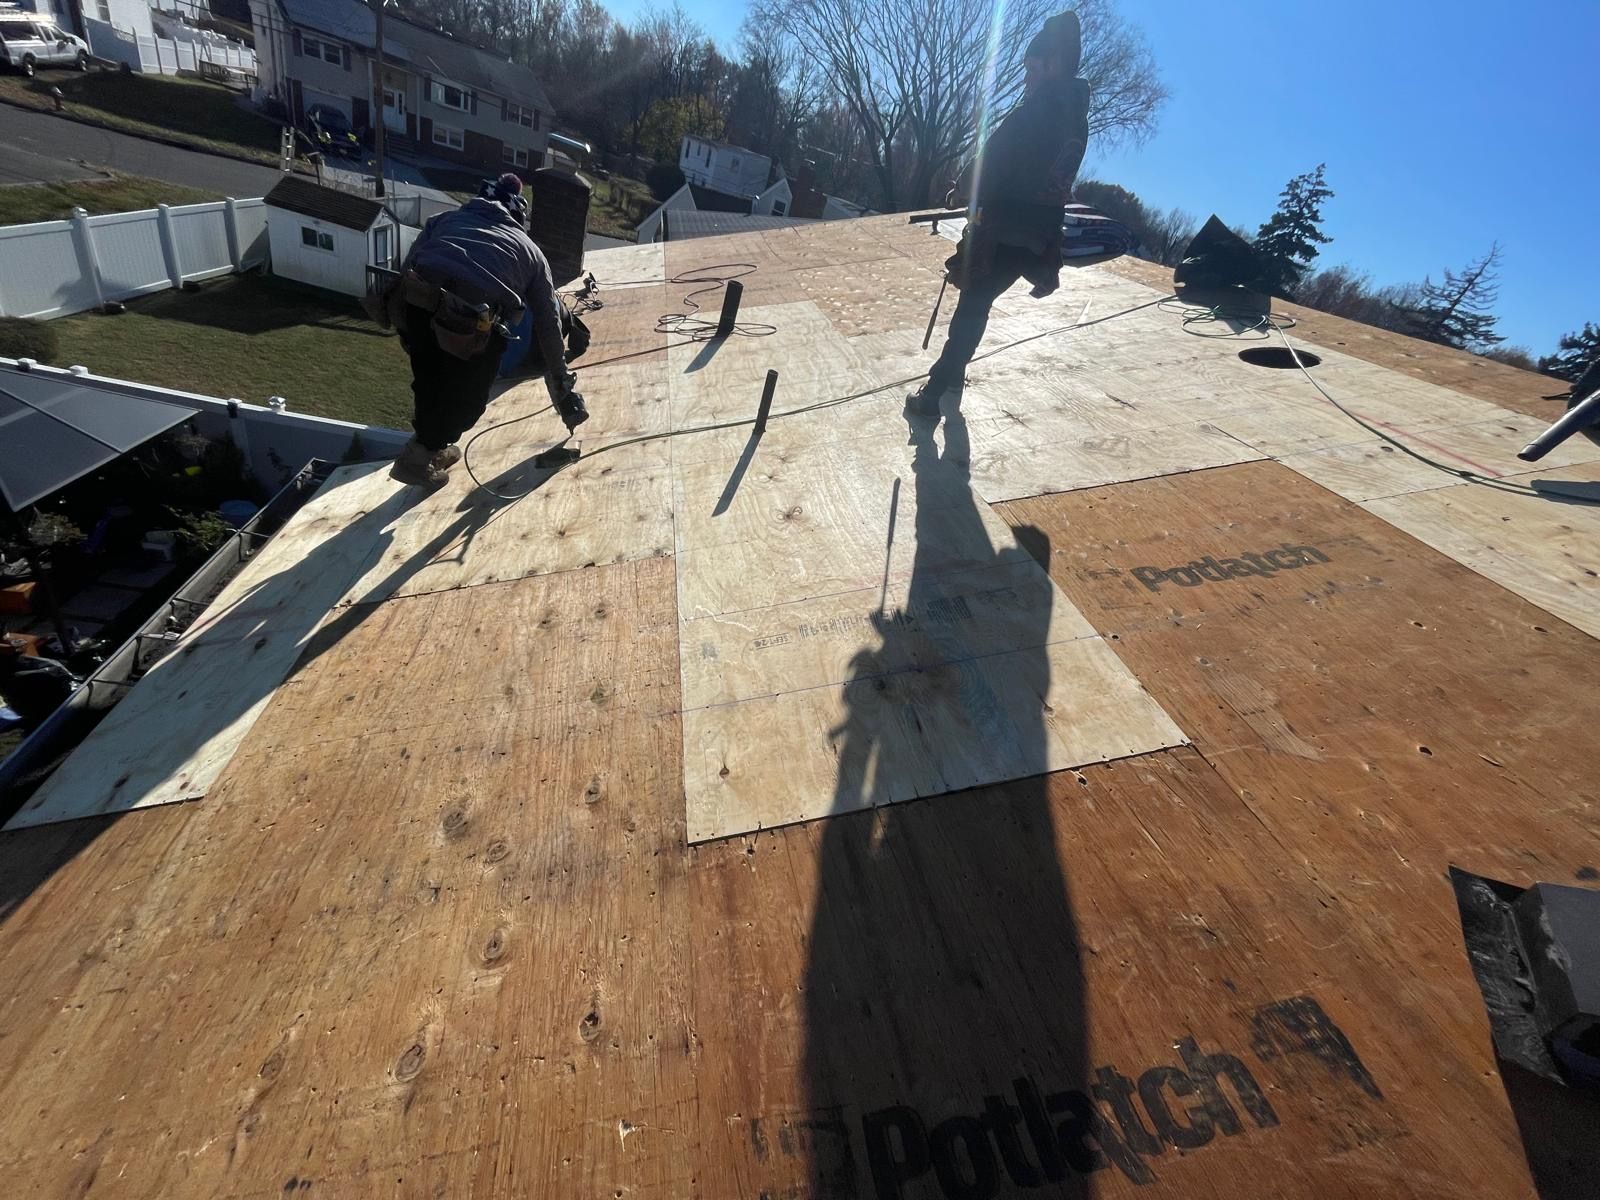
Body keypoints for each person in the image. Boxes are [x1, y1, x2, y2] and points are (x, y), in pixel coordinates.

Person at [908, 11, 1091, 417]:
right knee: (980, 301)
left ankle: (934, 395)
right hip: (1037, 236)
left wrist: (963, 190)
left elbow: (993, 159)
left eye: (1033, 69)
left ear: (1054, 62)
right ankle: (952, 378)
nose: (1028, 78)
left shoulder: (1036, 114)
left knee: (973, 305)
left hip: (1006, 229)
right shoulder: (1077, 120)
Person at [389, 173, 588, 487]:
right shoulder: (531, 251)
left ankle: (428, 451)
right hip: (470, 322)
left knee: (429, 381)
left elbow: (408, 266)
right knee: (470, 402)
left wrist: (404, 323)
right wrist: (562, 383)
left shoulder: (443, 220)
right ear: (518, 217)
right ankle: (418, 459)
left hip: (418, 303)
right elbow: (549, 323)